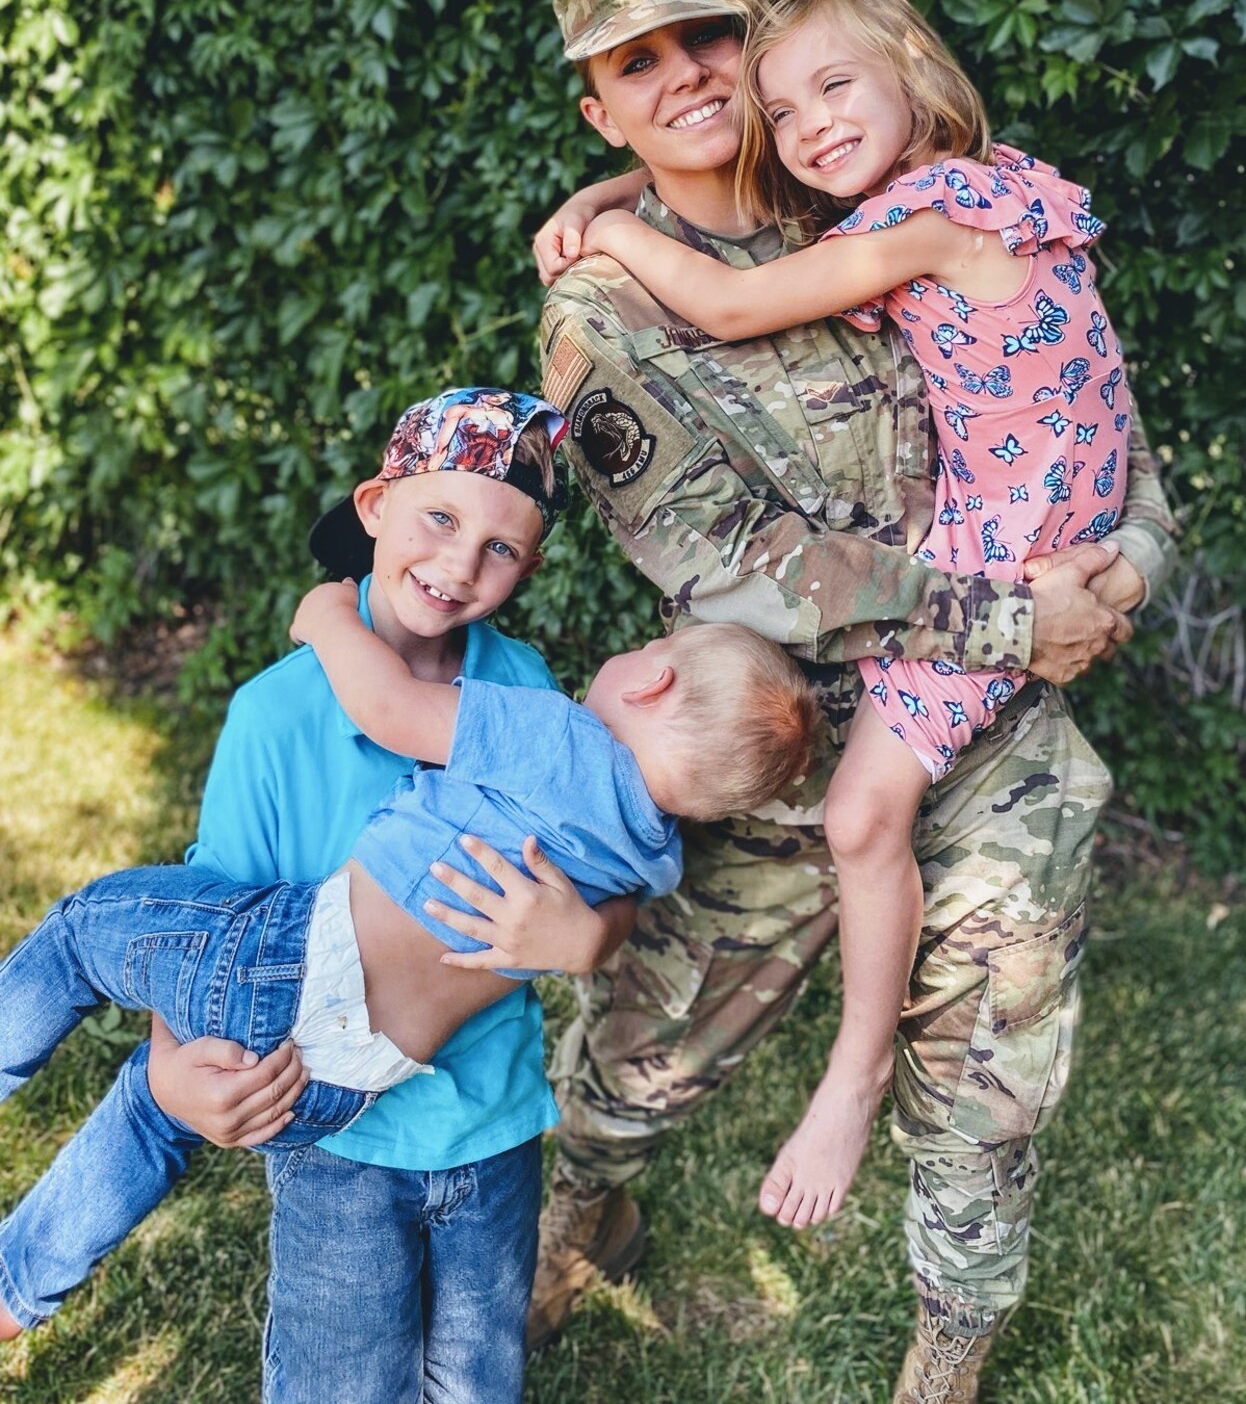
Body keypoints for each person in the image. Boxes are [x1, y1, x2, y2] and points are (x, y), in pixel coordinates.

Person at [531, 0, 1179, 1402]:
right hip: (769, 735)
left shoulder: (880, 194)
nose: (688, 74)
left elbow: (1100, 432)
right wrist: (1020, 618)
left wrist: (1128, 564)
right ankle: (578, 1220)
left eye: (708, 39)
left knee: (990, 1073)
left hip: (983, 726)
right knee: (641, 1056)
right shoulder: (602, 307)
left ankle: (946, 1343)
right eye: (638, 63)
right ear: (601, 105)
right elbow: (740, 569)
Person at [0, 388, 818, 1376]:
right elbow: (216, 892)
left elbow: (397, 715)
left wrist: (582, 938)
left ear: (642, 673)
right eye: (440, 517)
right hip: (340, 1121)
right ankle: (22, 1279)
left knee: (93, 934)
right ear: (374, 503)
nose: (461, 563)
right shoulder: (277, 717)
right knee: (167, 1091)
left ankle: (17, 1268)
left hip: (468, 1117)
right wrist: (176, 1065)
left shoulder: (536, 709)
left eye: (501, 548)